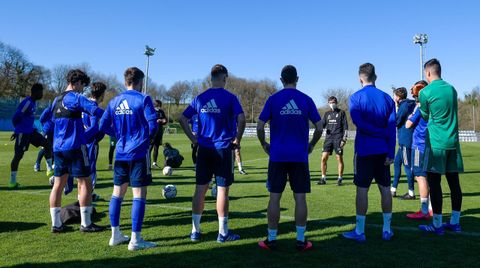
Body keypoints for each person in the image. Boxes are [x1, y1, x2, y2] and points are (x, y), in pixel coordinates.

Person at [257, 65, 322, 251]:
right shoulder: (306, 99)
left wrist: (264, 144)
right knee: (300, 198)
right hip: (299, 156)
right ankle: (300, 240)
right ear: (297, 79)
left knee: (274, 198)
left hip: (277, 155)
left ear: (281, 79)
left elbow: (260, 127)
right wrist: (311, 145)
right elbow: (319, 127)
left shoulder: (273, 99)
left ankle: (272, 239)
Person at [179, 64, 246, 243]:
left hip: (204, 149)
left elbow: (182, 118)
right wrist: (237, 139)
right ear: (224, 78)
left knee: (200, 189)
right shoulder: (230, 98)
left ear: (211, 78)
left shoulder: (200, 98)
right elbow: (241, 118)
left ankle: (195, 231)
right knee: (222, 190)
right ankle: (223, 233)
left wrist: (194, 140)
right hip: (223, 148)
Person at [100, 67, 158, 250]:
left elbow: (102, 126)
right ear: (140, 82)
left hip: (120, 153)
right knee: (139, 195)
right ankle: (135, 240)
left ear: (125, 82)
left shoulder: (114, 101)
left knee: (117, 193)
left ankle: (115, 235)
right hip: (139, 153)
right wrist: (145, 140)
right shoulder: (144, 98)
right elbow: (153, 125)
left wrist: (118, 135)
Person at [343, 63, 396, 242]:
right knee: (385, 189)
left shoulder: (356, 98)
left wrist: (376, 133)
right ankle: (387, 230)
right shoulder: (387, 98)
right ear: (376, 77)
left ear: (360, 79)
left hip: (365, 151)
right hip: (383, 150)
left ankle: (360, 231)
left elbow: (360, 123)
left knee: (362, 190)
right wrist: (391, 151)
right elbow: (391, 128)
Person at [49, 69, 105, 233]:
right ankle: (86, 224)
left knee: (58, 185)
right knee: (85, 183)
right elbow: (95, 110)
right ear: (77, 82)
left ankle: (56, 224)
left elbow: (52, 121)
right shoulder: (75, 97)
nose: (83, 89)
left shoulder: (56, 100)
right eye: (82, 85)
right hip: (75, 146)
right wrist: (113, 116)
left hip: (58, 147)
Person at [418, 59, 464, 234]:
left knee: (434, 183)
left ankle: (437, 224)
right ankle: (455, 222)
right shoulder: (452, 89)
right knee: (454, 183)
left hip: (436, 143)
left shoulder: (426, 91)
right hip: (453, 143)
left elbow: (424, 115)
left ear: (428, 73)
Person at [9, 83, 54, 189]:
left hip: (31, 132)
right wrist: (17, 130)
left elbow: (27, 119)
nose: (42, 94)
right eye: (40, 92)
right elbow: (15, 117)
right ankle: (12, 181)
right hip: (23, 133)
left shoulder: (33, 103)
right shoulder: (27, 102)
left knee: (47, 144)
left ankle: (49, 170)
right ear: (35, 92)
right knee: (18, 156)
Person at [405, 80, 432, 220]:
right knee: (430, 177)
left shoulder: (420, 107)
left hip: (418, 146)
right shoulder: (432, 104)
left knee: (420, 177)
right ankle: (432, 208)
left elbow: (408, 125)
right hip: (430, 145)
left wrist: (409, 117)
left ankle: (424, 210)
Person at [82, 82, 107, 200]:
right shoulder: (94, 108)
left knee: (82, 170)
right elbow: (94, 128)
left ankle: (83, 195)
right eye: (104, 94)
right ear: (101, 94)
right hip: (90, 142)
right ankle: (89, 195)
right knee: (91, 168)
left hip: (80, 143)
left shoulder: (83, 104)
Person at [391, 87, 416, 199]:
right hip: (403, 140)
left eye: (394, 95)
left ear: (398, 97)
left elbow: (397, 121)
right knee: (397, 163)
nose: (393, 97)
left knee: (407, 166)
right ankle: (393, 189)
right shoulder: (407, 104)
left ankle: (411, 193)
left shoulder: (404, 106)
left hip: (406, 140)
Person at [317, 96, 348, 186]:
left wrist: (344, 139)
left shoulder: (341, 113)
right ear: (328, 103)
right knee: (323, 158)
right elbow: (321, 125)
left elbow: (345, 127)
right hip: (328, 139)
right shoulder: (327, 114)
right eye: (330, 102)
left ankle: (339, 179)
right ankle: (323, 178)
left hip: (338, 139)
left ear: (336, 103)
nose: (332, 104)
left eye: (333, 102)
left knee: (339, 158)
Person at [35, 105, 55, 173]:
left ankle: (51, 165)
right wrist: (45, 128)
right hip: (47, 131)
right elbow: (41, 119)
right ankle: (37, 164)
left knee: (52, 148)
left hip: (55, 132)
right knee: (44, 148)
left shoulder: (59, 109)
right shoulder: (48, 109)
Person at [151, 100, 167, 168]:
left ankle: (154, 163)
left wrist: (164, 121)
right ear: (156, 105)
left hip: (159, 132)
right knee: (149, 148)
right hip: (152, 132)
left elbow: (165, 120)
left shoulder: (161, 111)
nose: (160, 106)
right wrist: (156, 120)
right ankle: (147, 163)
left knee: (156, 148)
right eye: (159, 105)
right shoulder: (151, 111)